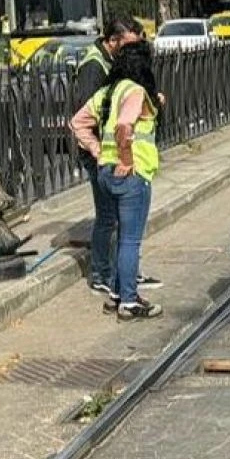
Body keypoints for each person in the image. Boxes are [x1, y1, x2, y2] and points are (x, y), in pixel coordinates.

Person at [68, 39, 165, 320]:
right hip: (132, 175)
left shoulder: (109, 90)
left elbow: (78, 122)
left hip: (105, 173)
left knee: (120, 235)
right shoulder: (135, 91)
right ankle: (129, 302)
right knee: (130, 240)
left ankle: (116, 293)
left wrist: (99, 151)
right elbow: (124, 125)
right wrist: (126, 159)